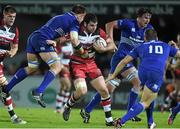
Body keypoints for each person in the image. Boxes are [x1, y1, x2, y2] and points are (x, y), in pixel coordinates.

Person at [0, 5, 86, 108]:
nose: (82, 21)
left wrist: (54, 41)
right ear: (80, 15)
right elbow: (74, 40)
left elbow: (57, 34)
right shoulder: (74, 21)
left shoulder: (61, 17)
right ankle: (39, 91)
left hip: (33, 37)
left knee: (32, 67)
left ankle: (5, 90)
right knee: (57, 66)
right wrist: (82, 51)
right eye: (83, 18)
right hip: (43, 39)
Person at [81, 7, 155, 127]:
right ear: (139, 17)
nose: (147, 20)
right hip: (121, 59)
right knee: (138, 82)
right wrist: (110, 40)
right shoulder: (128, 23)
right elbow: (109, 24)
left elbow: (150, 45)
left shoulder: (149, 30)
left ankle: (86, 110)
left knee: (107, 90)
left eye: (149, 18)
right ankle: (130, 113)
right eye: (145, 17)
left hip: (128, 61)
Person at [105, 29, 180, 129]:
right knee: (145, 102)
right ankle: (121, 121)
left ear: (145, 38)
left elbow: (123, 61)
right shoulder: (165, 45)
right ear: (156, 37)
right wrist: (175, 48)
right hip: (156, 73)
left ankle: (150, 123)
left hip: (142, 72)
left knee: (148, 95)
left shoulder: (141, 47)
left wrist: (113, 74)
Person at [62, 13, 115, 126]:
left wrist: (103, 48)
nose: (94, 27)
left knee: (104, 90)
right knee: (82, 91)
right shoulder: (76, 31)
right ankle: (68, 105)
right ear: (85, 24)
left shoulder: (99, 32)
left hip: (91, 64)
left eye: (95, 25)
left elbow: (112, 46)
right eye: (91, 25)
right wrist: (54, 42)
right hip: (76, 64)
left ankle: (109, 120)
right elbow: (63, 38)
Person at [0, 5, 27, 124]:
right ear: (4, 15)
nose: (12, 19)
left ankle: (13, 117)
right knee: (5, 88)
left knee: (5, 89)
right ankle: (13, 117)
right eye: (9, 16)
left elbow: (15, 47)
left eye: (14, 17)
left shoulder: (14, 30)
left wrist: (11, 53)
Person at [55, 35, 73, 113]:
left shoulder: (72, 45)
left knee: (63, 87)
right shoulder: (60, 46)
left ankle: (58, 107)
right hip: (62, 67)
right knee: (68, 85)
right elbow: (56, 58)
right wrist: (62, 67)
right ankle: (63, 106)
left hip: (69, 68)